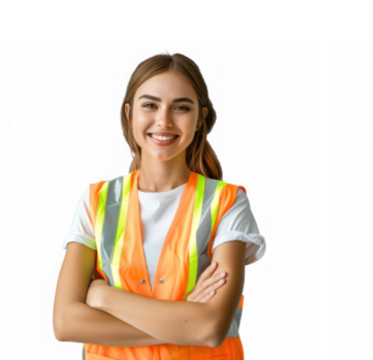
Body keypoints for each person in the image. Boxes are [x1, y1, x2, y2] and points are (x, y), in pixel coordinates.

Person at [52, 48, 267, 359]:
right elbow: (65, 323)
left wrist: (102, 296)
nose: (163, 120)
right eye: (150, 105)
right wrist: (183, 322)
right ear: (129, 113)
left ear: (199, 119)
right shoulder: (94, 201)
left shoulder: (228, 202)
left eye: (181, 107)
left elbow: (210, 328)